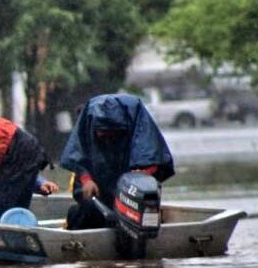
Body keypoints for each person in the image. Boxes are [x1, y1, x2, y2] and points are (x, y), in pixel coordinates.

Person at [60, 93, 175, 230]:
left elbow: (154, 160)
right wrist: (86, 179)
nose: (104, 136)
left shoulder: (139, 133)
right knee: (80, 212)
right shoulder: (88, 130)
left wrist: (142, 176)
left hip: (132, 199)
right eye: (100, 131)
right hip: (98, 198)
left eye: (111, 132)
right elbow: (79, 157)